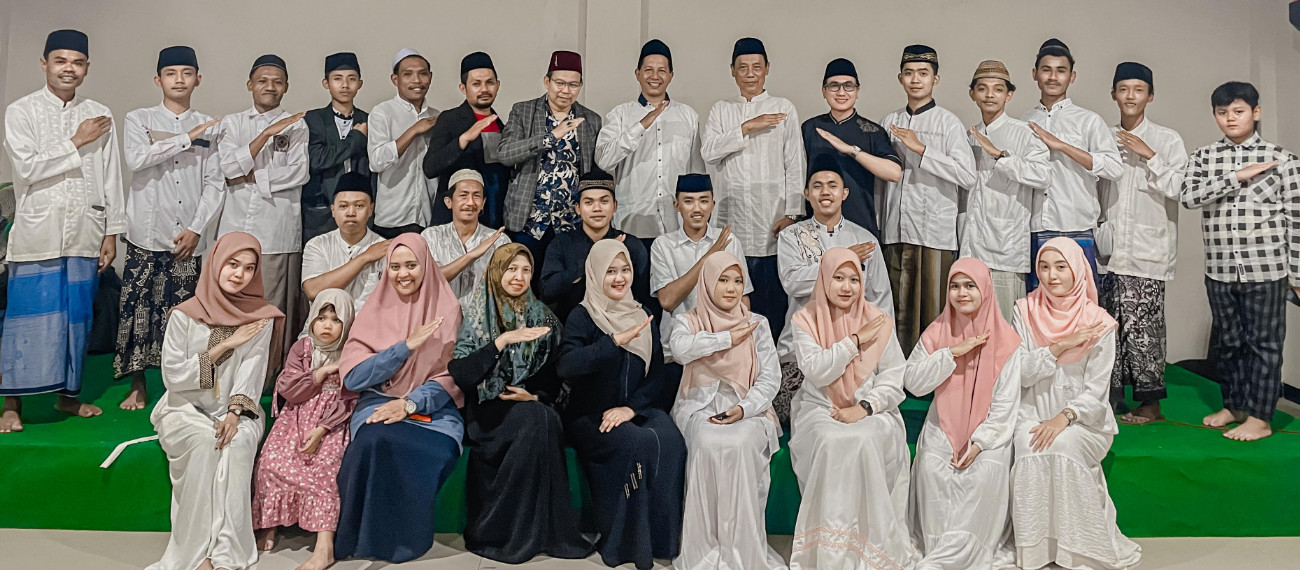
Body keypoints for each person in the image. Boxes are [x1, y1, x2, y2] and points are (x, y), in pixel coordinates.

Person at [1, 30, 122, 432]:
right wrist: (76, 141)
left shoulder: (100, 113)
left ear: (87, 67)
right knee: (24, 321)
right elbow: (27, 169)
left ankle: (67, 398)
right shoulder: (22, 111)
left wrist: (111, 231)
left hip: (85, 232)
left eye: (77, 62)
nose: (69, 68)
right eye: (60, 60)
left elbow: (111, 176)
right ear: (45, 64)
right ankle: (11, 405)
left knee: (77, 320)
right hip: (37, 234)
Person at [447, 244, 592, 564]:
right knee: (538, 420)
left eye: (526, 270)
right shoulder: (478, 312)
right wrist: (502, 341)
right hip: (487, 410)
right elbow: (463, 374)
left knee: (542, 417)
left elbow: (560, 376)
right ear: (497, 272)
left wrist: (537, 397)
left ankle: (545, 532)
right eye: (511, 269)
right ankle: (500, 532)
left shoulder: (543, 317)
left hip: (527, 404)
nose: (519, 277)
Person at [146, 231, 283, 570]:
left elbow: (253, 372)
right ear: (216, 263)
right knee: (204, 444)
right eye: (233, 264)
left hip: (239, 409)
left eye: (249, 268)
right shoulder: (184, 315)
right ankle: (194, 554)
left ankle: (226, 552)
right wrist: (225, 346)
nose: (240, 274)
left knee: (237, 446)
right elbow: (173, 377)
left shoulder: (260, 317)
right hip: (183, 408)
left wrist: (235, 414)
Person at [1009, 237, 1140, 569]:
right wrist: (1060, 346)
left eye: (1060, 267)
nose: (1051, 276)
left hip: (1085, 421)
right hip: (1032, 411)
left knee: (1063, 445)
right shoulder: (1024, 311)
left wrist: (1064, 417)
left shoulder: (1099, 322)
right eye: (1044, 267)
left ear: (1078, 270)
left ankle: (1079, 550)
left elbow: (1096, 391)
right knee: (1028, 445)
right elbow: (1020, 373)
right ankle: (1038, 551)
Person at [1181, 81, 1300, 442]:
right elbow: (1188, 197)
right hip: (1219, 270)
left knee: (1265, 346)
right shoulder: (1203, 157)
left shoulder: (1283, 160)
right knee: (1229, 344)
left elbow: (1296, 221)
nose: (1230, 118)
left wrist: (1297, 275)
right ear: (1215, 115)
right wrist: (1236, 177)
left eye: (1238, 111)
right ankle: (1234, 406)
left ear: (1255, 112)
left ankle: (1261, 418)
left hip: (1268, 270)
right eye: (1223, 112)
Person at [557, 239, 686, 570]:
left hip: (634, 408)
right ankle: (625, 544)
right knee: (635, 443)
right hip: (591, 415)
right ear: (596, 273)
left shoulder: (642, 315)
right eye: (611, 271)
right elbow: (567, 366)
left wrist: (632, 409)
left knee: (671, 441)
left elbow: (656, 375)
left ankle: (662, 541)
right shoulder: (583, 316)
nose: (619, 278)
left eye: (625, 270)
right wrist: (613, 342)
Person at [334, 234, 463, 563]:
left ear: (426, 266)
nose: (403, 274)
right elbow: (354, 377)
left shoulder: (448, 310)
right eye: (395, 266)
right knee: (373, 442)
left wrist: (410, 403)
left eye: (411, 265)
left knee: (431, 450)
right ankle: (363, 540)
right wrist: (403, 348)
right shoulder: (372, 310)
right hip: (379, 402)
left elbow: (453, 375)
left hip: (433, 411)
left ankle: (405, 541)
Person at [785, 248, 916, 570]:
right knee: (832, 440)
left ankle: (869, 548)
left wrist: (867, 407)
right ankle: (833, 553)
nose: (847, 287)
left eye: (854, 279)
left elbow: (894, 376)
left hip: (874, 407)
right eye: (838, 278)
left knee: (863, 438)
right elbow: (817, 372)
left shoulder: (878, 320)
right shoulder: (805, 320)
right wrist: (854, 341)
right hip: (819, 405)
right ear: (824, 279)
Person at [115, 45, 224, 411]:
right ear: (158, 80)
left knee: (183, 314)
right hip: (146, 234)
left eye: (187, 73)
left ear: (198, 79)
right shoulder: (139, 119)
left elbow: (215, 183)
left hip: (187, 238)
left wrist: (196, 228)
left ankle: (181, 386)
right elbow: (137, 159)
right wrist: (187, 137)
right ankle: (137, 384)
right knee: (138, 309)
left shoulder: (211, 125)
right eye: (171, 73)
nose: (179, 79)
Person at [668, 251, 785, 570]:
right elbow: (680, 351)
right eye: (723, 280)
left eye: (737, 281)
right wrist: (726, 338)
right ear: (707, 282)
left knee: (740, 443)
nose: (732, 288)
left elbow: (770, 377)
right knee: (708, 443)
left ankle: (742, 551)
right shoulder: (688, 321)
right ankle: (706, 550)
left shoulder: (757, 323)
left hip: (749, 409)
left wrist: (744, 409)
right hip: (699, 407)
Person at [903, 258, 1022, 570]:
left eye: (970, 285)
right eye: (954, 286)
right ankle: (940, 548)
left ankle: (964, 551)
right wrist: (951, 353)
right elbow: (913, 383)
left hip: (989, 429)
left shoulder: (1007, 341)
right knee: (933, 470)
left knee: (983, 474)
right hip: (942, 423)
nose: (961, 293)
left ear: (985, 289)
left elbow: (1005, 404)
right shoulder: (936, 332)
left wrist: (980, 443)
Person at [1097, 62, 1187, 425]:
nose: (1130, 96)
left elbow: (1180, 188)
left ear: (1150, 96)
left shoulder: (1167, 139)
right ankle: (1112, 399)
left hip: (1147, 251)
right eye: (1123, 89)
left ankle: (1150, 404)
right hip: (1109, 249)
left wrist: (1150, 155)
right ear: (1114, 94)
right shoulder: (1102, 136)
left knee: (1144, 329)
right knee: (1108, 326)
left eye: (1138, 90)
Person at [701, 37, 804, 340]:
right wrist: (746, 127)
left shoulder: (783, 108)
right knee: (732, 299)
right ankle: (737, 354)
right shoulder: (721, 110)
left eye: (756, 67)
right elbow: (708, 152)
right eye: (742, 67)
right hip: (732, 220)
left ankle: (773, 360)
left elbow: (795, 163)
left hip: (772, 221)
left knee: (773, 302)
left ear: (767, 69)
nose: (750, 74)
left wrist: (793, 213)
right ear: (732, 71)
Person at [775, 158, 893, 421]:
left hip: (857, 346)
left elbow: (881, 299)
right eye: (817, 186)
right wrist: (843, 258)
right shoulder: (791, 237)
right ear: (807, 193)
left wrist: (878, 347)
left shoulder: (865, 240)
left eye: (832, 185)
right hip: (803, 349)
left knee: (864, 411)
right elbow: (792, 282)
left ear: (844, 193)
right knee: (795, 411)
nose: (825, 192)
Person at [879, 44, 977, 354]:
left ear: (936, 79)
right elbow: (881, 180)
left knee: (934, 311)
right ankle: (898, 375)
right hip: (895, 230)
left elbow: (967, 175)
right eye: (909, 73)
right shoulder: (889, 121)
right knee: (897, 310)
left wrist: (922, 150)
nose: (915, 79)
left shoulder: (948, 123)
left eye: (923, 73)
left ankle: (934, 374)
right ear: (900, 78)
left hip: (935, 232)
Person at [252, 289, 357, 570]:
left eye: (335, 320)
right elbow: (289, 388)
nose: (326, 325)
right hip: (295, 417)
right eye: (321, 318)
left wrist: (322, 429)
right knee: (271, 461)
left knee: (326, 470)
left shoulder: (351, 353)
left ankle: (325, 545)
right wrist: (320, 373)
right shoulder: (303, 348)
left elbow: (349, 398)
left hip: (331, 423)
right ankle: (269, 524)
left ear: (347, 323)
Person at [216, 54, 308, 367]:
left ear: (286, 87)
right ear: (250, 85)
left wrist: (253, 175)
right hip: (235, 228)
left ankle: (268, 378)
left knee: (271, 308)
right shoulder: (232, 123)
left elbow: (299, 172)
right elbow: (228, 169)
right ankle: (224, 373)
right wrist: (266, 135)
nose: (270, 87)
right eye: (263, 81)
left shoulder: (297, 124)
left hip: (276, 231)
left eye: (277, 82)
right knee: (230, 304)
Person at [1020, 39, 1122, 290]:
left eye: (1061, 70)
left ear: (1072, 76)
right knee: (1039, 306)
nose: (1053, 77)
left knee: (1080, 306)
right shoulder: (1023, 121)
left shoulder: (1088, 121)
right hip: (1035, 228)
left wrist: (1063, 146)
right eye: (1046, 70)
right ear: (1035, 74)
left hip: (1076, 227)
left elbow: (1114, 167)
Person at [651, 174, 751, 409]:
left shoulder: (729, 241)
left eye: (704, 201)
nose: (697, 209)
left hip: (724, 348)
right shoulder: (663, 245)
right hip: (678, 353)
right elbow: (667, 300)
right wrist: (710, 256)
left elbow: (743, 298)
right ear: (676, 205)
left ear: (713, 204)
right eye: (688, 201)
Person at [962, 60, 1051, 320]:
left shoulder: (1023, 133)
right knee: (972, 326)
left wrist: (999, 156)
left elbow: (1043, 175)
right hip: (970, 248)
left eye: (998, 89)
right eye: (982, 88)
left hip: (1006, 250)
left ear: (1009, 95)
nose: (990, 95)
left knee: (1005, 328)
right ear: (972, 94)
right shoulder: (969, 135)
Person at [595, 39, 703, 244]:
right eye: (648, 70)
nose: (655, 76)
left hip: (677, 226)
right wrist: (641, 126)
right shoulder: (620, 114)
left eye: (662, 71)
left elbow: (696, 172)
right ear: (637, 74)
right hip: (632, 224)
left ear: (671, 75)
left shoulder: (688, 115)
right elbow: (603, 161)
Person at [499, 50, 602, 262]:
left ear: (581, 86)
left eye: (573, 85)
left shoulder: (591, 119)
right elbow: (505, 153)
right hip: (529, 220)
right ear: (547, 82)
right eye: (560, 83)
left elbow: (593, 170)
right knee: (524, 277)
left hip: (570, 222)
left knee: (567, 280)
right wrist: (551, 137)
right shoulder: (523, 111)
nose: (566, 91)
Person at [801, 58, 901, 237]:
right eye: (834, 86)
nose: (841, 92)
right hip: (814, 229)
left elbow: (894, 173)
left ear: (857, 91)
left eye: (848, 86)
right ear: (824, 91)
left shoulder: (872, 131)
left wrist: (851, 150)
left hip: (861, 224)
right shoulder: (810, 128)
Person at [541, 170, 651, 322]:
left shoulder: (631, 245)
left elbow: (643, 297)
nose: (597, 208)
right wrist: (596, 257)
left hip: (622, 323)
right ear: (578, 208)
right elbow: (547, 291)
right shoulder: (561, 244)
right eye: (589, 202)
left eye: (604, 201)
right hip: (573, 325)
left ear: (615, 206)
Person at [424, 52, 508, 227]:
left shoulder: (504, 125)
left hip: (495, 217)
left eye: (489, 83)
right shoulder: (450, 119)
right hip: (456, 220)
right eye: (476, 84)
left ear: (498, 85)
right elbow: (430, 167)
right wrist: (463, 139)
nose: (484, 89)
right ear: (463, 88)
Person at [368, 48, 439, 238]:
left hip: (428, 217)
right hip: (392, 218)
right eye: (408, 74)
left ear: (430, 77)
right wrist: (413, 131)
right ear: (395, 79)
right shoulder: (382, 112)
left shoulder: (436, 116)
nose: (417, 80)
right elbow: (376, 162)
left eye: (423, 73)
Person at [300, 172, 388, 319]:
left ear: (371, 209)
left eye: (359, 206)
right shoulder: (317, 245)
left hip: (368, 327)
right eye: (343, 206)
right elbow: (312, 291)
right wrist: (365, 257)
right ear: (333, 210)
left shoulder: (384, 247)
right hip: (324, 328)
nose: (351, 213)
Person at [302, 52, 369, 244]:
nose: (345, 85)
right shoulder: (313, 119)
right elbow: (317, 160)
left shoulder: (369, 119)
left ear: (360, 83)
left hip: (361, 211)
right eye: (337, 79)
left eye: (352, 79)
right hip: (321, 210)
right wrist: (356, 138)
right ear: (326, 83)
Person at [420, 168, 509, 303]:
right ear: (448, 202)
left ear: (483, 203)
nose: (470, 202)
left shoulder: (499, 241)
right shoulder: (431, 236)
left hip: (483, 315)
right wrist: (470, 256)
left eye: (476, 196)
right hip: (441, 313)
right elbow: (427, 279)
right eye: (463, 195)